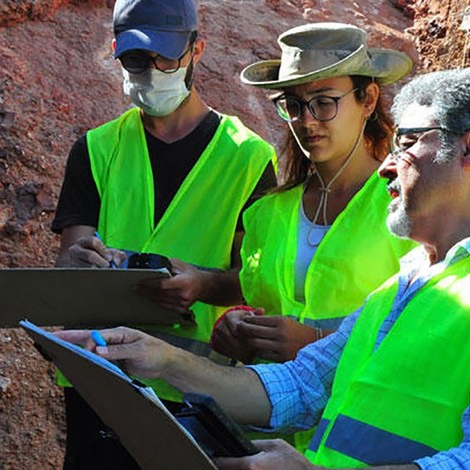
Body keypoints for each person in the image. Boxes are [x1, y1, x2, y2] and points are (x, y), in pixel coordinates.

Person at [58, 67, 470, 469]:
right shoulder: (408, 287)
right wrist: (157, 359)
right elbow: (298, 387)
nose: (387, 168)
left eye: (408, 142)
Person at [51, 0, 276, 467]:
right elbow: (70, 257)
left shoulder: (249, 158)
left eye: (166, 58)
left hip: (196, 389)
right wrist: (75, 263)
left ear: (198, 49)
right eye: (136, 59)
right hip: (100, 378)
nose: (152, 71)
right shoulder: (96, 150)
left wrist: (202, 283)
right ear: (115, 50)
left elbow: (254, 278)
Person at [205, 22, 415, 369]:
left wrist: (317, 345)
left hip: (351, 418)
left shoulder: (408, 205)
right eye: (293, 104)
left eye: (324, 102)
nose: (306, 120)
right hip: (264, 418)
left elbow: (422, 338)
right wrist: (239, 330)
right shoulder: (267, 213)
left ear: (369, 99)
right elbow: (261, 308)